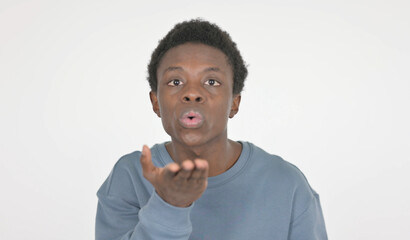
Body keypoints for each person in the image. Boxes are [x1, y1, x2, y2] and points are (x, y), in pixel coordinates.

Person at [96, 19, 328, 240]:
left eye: (211, 82)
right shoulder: (129, 177)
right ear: (156, 102)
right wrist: (169, 204)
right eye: (176, 82)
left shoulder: (287, 184)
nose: (192, 93)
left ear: (234, 104)